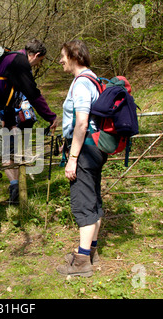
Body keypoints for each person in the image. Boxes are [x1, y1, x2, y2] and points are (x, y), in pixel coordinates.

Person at [0, 39, 58, 202]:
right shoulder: (20, 63)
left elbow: (7, 96)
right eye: (40, 61)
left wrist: (8, 122)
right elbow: (33, 94)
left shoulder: (11, 59)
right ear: (36, 55)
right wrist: (51, 117)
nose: (38, 64)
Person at [56, 40, 107, 277]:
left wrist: (72, 157)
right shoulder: (93, 79)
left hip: (85, 150)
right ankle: (90, 250)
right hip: (95, 148)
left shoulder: (82, 84)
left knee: (83, 203)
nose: (60, 60)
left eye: (63, 56)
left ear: (75, 57)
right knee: (93, 199)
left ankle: (82, 262)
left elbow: (82, 122)